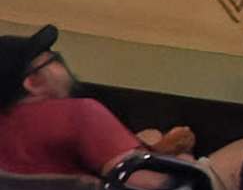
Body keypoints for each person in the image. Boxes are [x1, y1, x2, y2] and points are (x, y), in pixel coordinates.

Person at [0, 27, 192, 178]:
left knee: (151, 135)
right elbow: (143, 185)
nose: (62, 63)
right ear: (33, 82)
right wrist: (188, 165)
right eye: (54, 59)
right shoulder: (79, 113)